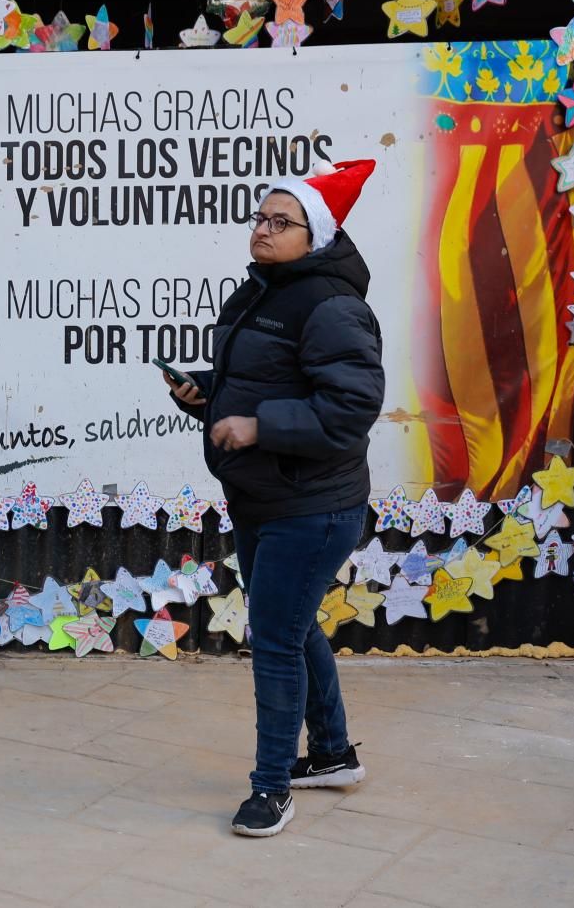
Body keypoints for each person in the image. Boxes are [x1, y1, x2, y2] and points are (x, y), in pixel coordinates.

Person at [162, 159, 385, 837]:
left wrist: (258, 425)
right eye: (260, 217)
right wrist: (205, 392)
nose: (262, 229)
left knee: (276, 641)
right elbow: (260, 375)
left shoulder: (333, 305)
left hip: (312, 506)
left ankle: (270, 790)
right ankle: (333, 755)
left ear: (313, 235)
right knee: (289, 626)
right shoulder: (262, 290)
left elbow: (350, 408)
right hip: (265, 496)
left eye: (279, 221)